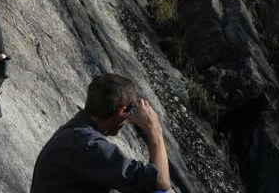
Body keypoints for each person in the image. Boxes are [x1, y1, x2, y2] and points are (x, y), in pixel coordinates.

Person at [30, 73, 172, 193]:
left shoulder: (76, 130)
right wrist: (154, 130)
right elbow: (160, 182)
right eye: (130, 110)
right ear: (121, 111)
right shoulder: (90, 146)